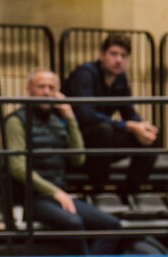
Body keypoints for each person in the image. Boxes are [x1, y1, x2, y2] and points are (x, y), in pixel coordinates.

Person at [4, 67, 125, 256]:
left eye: (51, 88)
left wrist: (71, 119)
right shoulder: (16, 121)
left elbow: (78, 159)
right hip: (32, 198)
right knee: (74, 223)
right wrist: (55, 192)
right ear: (29, 89)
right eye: (41, 87)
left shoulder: (57, 120)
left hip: (59, 195)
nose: (47, 92)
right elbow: (17, 167)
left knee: (112, 225)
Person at [63, 33, 159, 194]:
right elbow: (88, 116)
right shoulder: (85, 74)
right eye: (113, 54)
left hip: (103, 140)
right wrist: (128, 126)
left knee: (153, 135)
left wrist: (142, 126)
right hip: (76, 140)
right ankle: (98, 190)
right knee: (103, 130)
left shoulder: (121, 79)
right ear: (102, 55)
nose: (118, 60)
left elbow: (128, 111)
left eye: (123, 56)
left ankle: (131, 190)